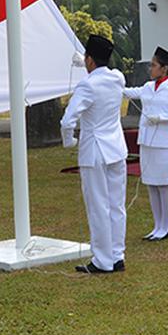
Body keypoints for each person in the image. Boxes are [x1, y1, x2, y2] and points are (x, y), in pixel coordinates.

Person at [61, 35, 128, 274]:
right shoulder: (118, 77)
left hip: (94, 151)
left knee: (98, 205)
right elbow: (99, 71)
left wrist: (70, 142)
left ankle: (102, 260)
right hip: (116, 149)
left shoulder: (87, 85)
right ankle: (117, 255)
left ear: (89, 59)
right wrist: (86, 61)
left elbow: (68, 120)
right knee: (116, 205)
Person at [123, 46, 168, 242]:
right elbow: (126, 92)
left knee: (164, 184)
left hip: (163, 142)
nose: (150, 68)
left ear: (164, 68)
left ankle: (165, 227)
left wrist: (162, 118)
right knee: (151, 184)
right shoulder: (147, 87)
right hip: (146, 142)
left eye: (153, 65)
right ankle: (157, 226)